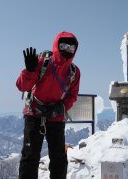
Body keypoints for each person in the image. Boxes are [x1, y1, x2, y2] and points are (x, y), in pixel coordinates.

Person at [16, 31, 81, 179]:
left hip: (56, 116)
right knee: (30, 157)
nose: (67, 50)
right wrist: (29, 70)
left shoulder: (74, 72)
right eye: (63, 45)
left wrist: (61, 108)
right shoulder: (41, 62)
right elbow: (21, 86)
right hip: (34, 113)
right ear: (57, 45)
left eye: (71, 47)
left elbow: (72, 95)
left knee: (58, 158)